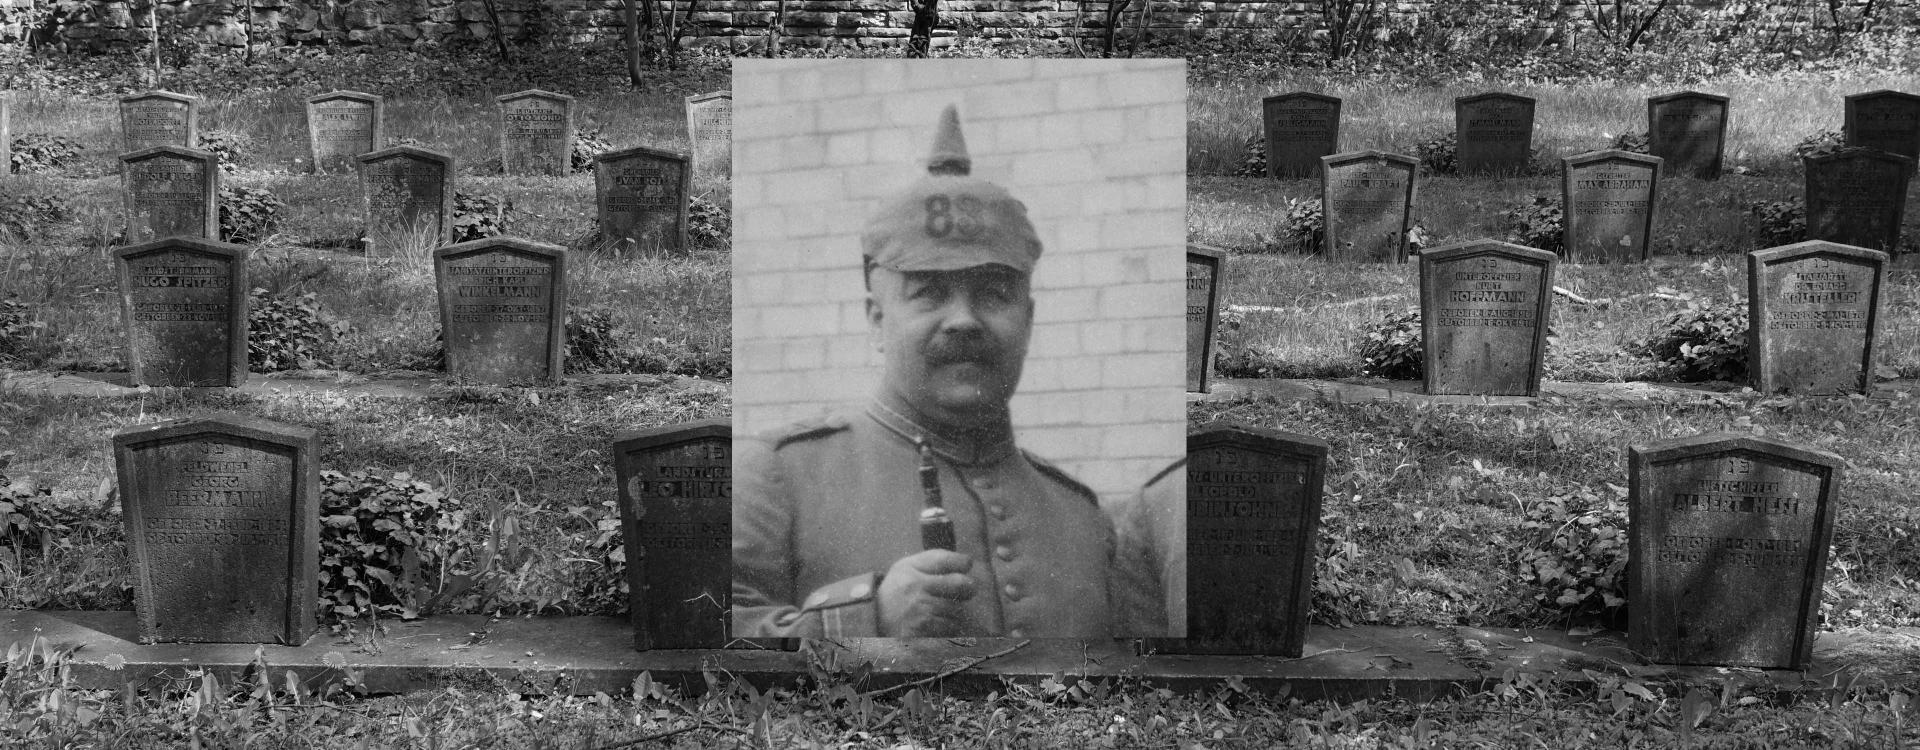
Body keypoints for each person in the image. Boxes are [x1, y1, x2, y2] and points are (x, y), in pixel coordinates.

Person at [733, 105, 1157, 638]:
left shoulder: (1083, 518)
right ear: (876, 318)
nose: (963, 321)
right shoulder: (779, 477)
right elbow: (703, 646)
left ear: (1028, 320)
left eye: (994, 293)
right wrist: (866, 618)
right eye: (929, 293)